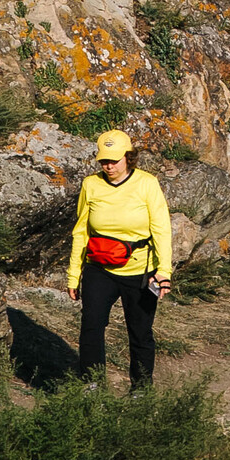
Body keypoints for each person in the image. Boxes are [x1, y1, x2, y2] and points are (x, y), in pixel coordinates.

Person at [67, 125, 174, 392]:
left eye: (114, 160)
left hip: (140, 271)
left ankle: (140, 389)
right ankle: (91, 385)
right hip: (98, 269)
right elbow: (81, 230)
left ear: (129, 157)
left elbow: (161, 228)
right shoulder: (90, 185)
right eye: (103, 160)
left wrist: (164, 271)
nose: (108, 165)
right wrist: (74, 274)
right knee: (91, 327)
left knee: (140, 332)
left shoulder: (147, 183)